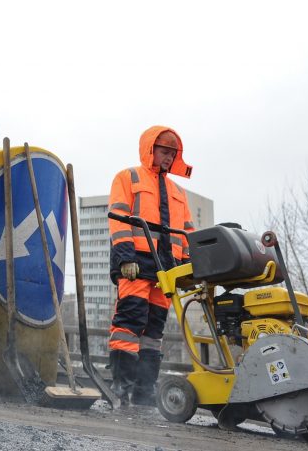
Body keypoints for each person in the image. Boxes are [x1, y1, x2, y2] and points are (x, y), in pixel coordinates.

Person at [106, 126, 194, 406]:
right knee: (130, 322)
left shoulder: (178, 191)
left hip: (166, 270)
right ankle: (122, 387)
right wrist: (125, 257)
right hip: (136, 262)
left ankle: (144, 392)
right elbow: (119, 219)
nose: (168, 157)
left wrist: (189, 267)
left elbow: (188, 233)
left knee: (154, 329)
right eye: (164, 151)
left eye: (172, 153)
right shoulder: (128, 177)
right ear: (150, 150)